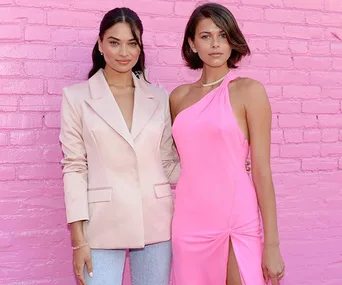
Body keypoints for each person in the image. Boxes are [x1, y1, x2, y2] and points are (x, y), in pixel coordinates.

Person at [59, 7, 180, 285]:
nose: (124, 52)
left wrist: (223, 164)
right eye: (114, 42)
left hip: (157, 222)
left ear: (140, 47)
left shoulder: (159, 98)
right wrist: (79, 241)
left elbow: (167, 162)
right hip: (101, 224)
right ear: (101, 44)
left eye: (132, 43)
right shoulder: (76, 98)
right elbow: (75, 167)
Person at [170, 3, 285, 285]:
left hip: (235, 220)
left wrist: (272, 244)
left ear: (232, 40)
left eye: (222, 35)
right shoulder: (178, 98)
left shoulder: (249, 91)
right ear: (192, 44)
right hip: (189, 221)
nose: (215, 44)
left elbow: (261, 171)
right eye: (205, 36)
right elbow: (184, 160)